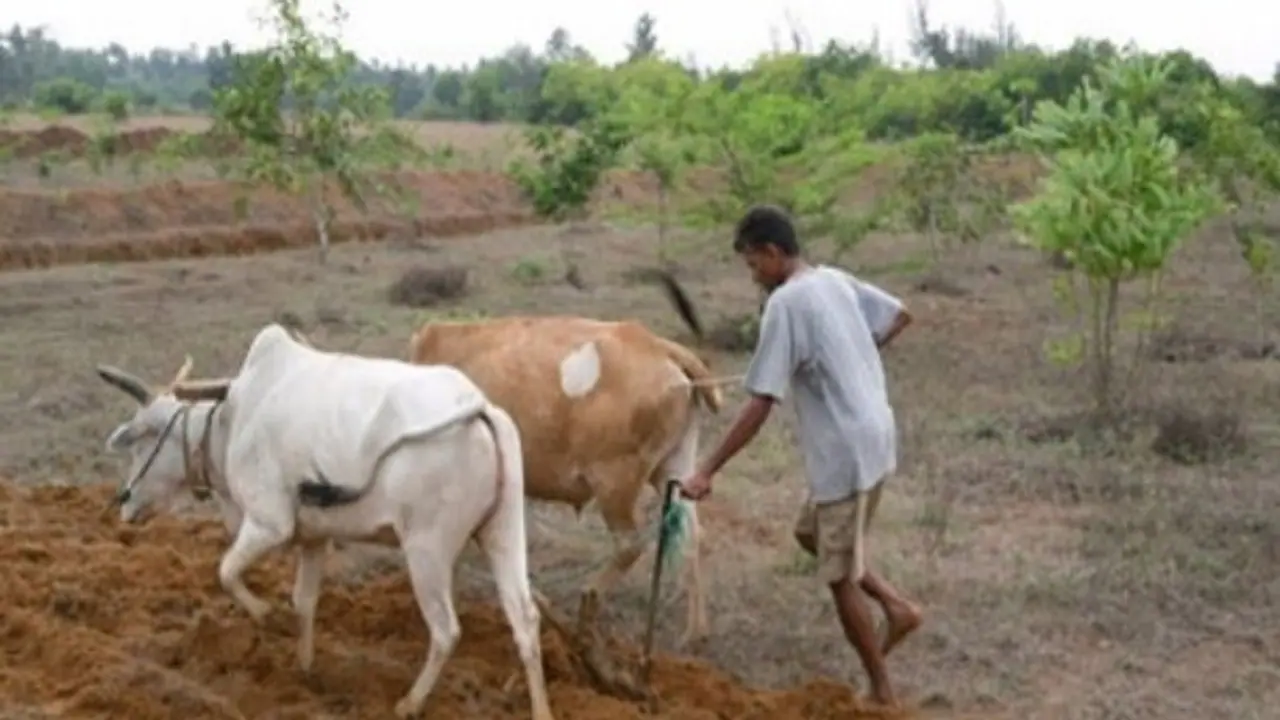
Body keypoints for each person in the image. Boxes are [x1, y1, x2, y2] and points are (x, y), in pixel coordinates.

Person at [680, 204, 922, 709]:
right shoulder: (832, 279)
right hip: (876, 434)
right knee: (811, 534)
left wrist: (706, 470)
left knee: (838, 578)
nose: (753, 276)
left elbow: (760, 403)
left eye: (752, 264)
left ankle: (880, 689)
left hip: (845, 452)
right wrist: (850, 355)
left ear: (771, 252)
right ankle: (897, 606)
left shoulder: (786, 304)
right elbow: (899, 315)